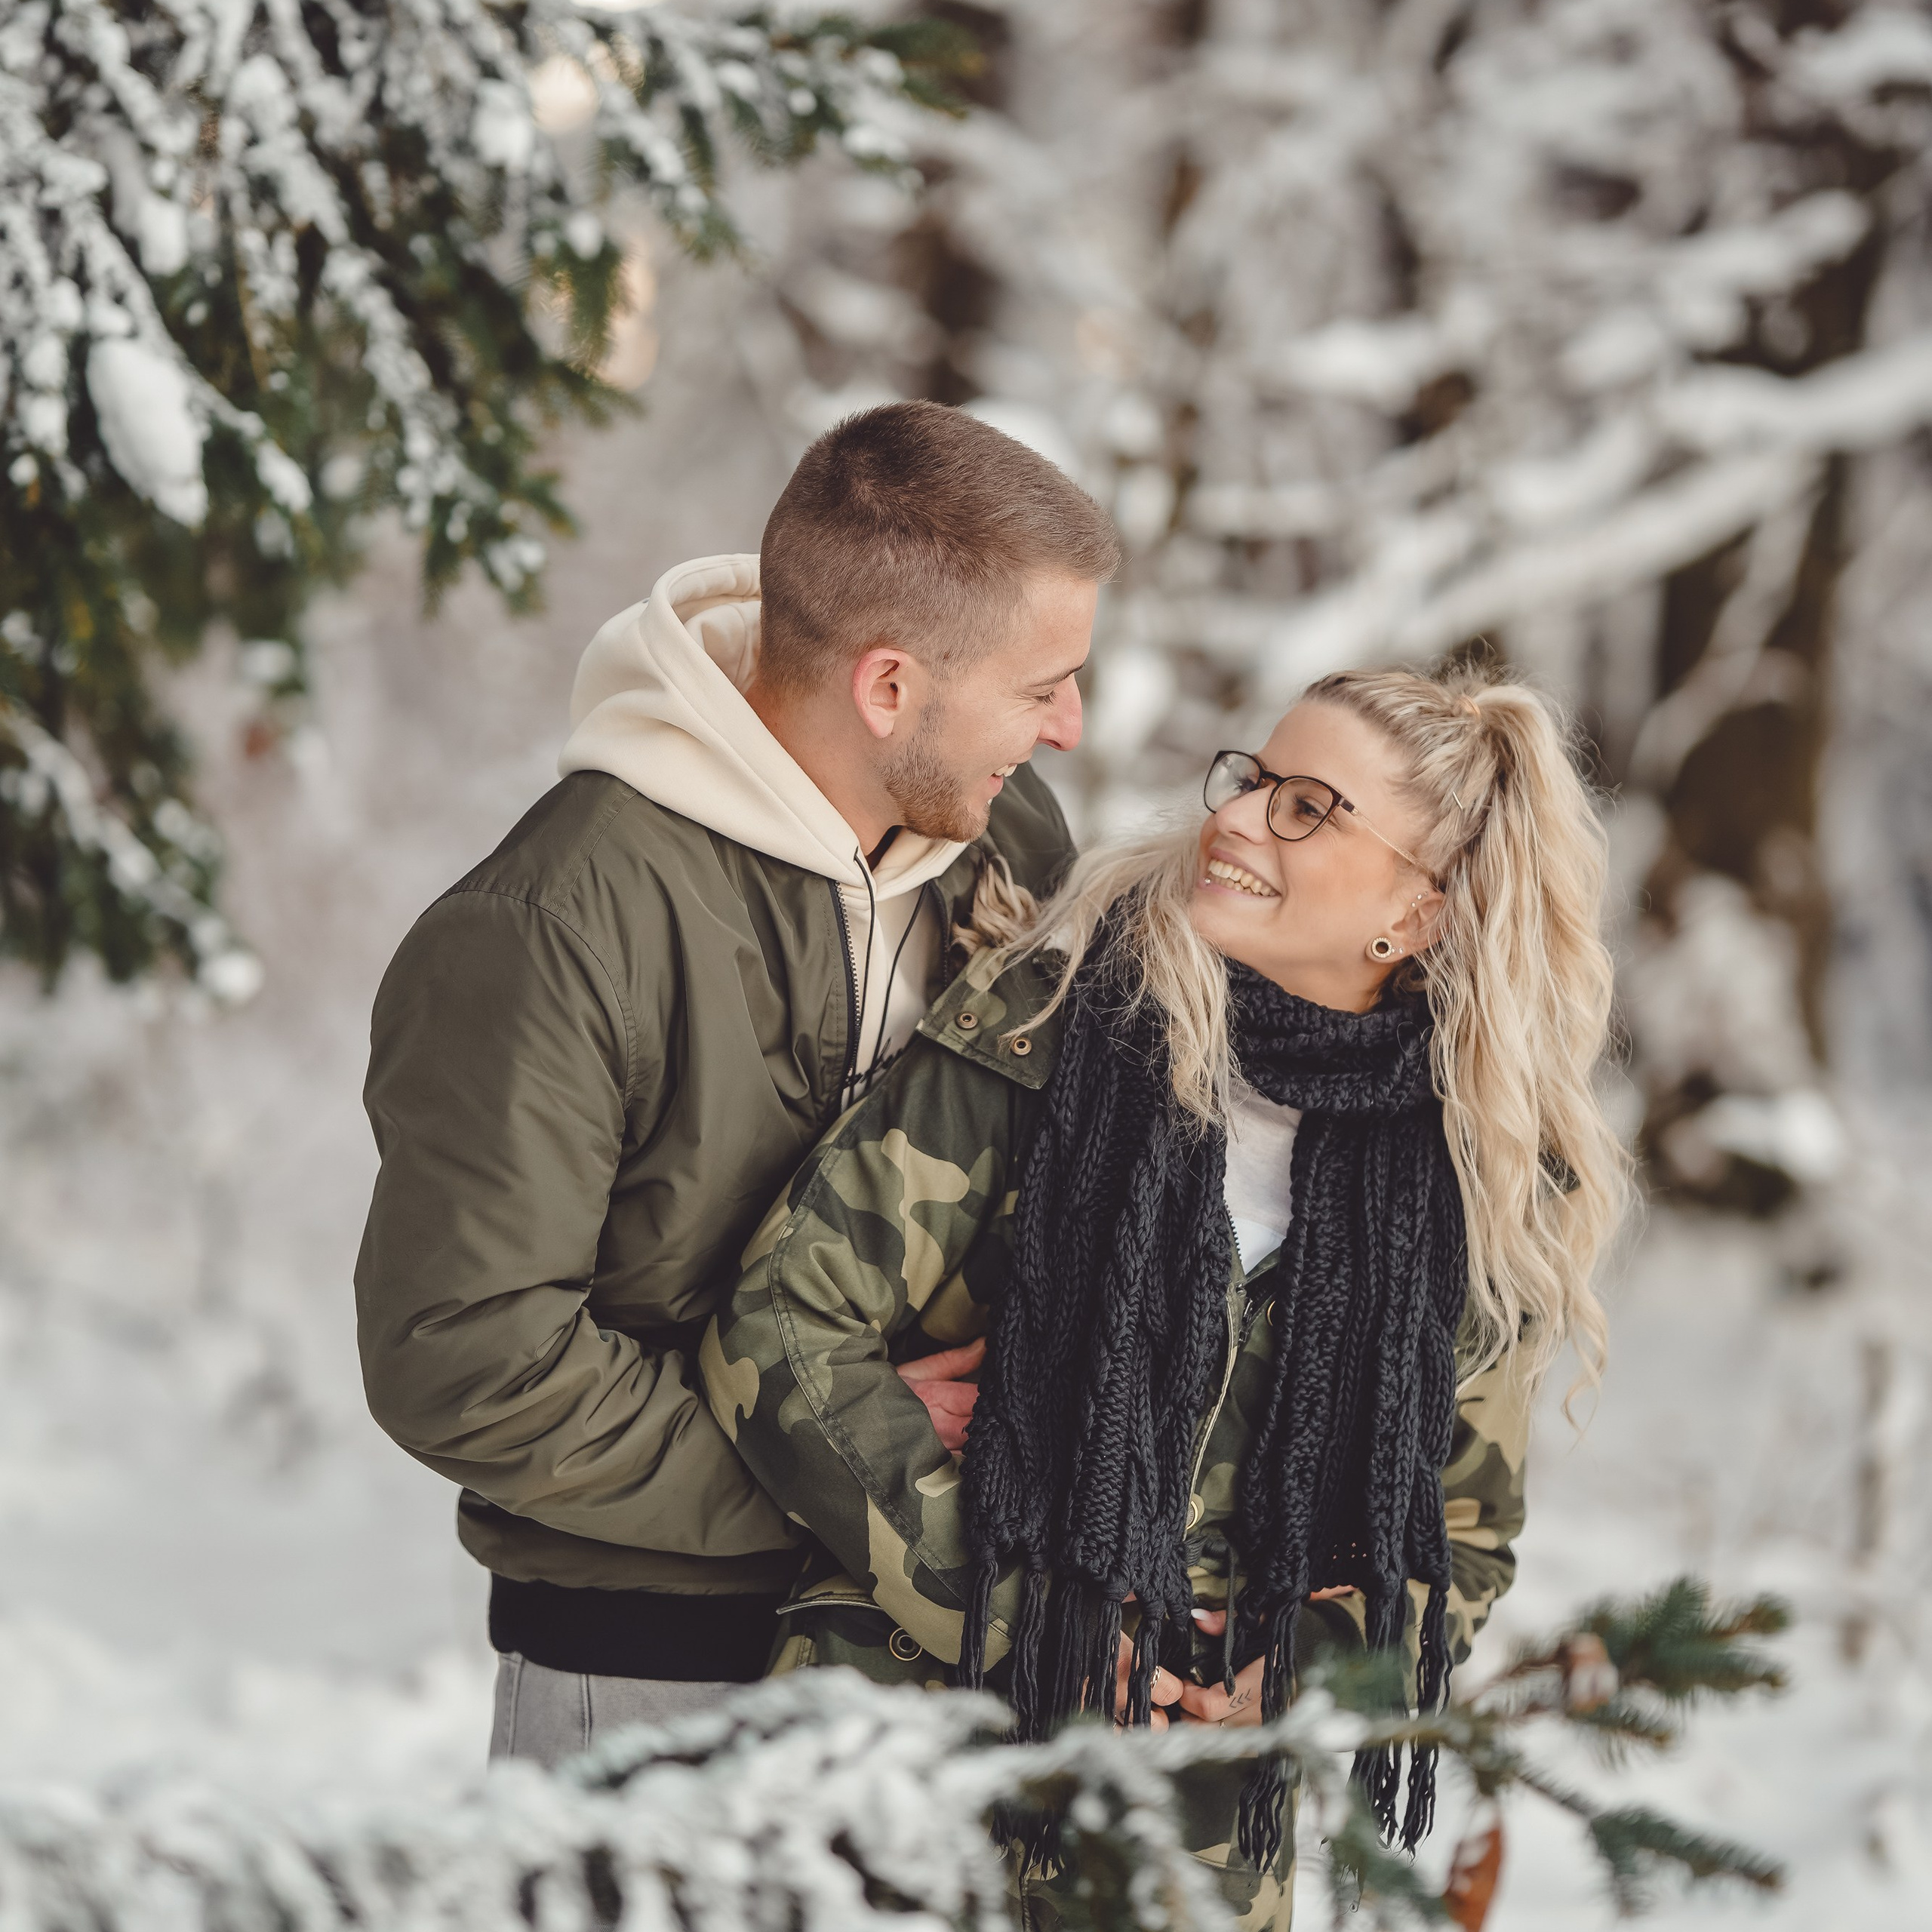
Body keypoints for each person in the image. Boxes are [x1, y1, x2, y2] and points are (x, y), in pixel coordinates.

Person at [704, 668, 1629, 1928]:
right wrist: (1042, 1617)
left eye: (1309, 808)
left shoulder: (1475, 1186)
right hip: (902, 1746)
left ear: (1419, 913)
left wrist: (1312, 1672)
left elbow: (1459, 1536)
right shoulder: (1054, 1028)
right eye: (1252, 780)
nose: (1239, 819)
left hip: (1188, 1837)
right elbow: (782, 1329)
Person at [354, 401, 1118, 1764]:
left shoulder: (1008, 841)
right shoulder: (553, 925)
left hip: (939, 1665)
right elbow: (466, 1361)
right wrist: (849, 1467)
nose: (1067, 725)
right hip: (659, 1669)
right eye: (1040, 680)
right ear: (889, 688)